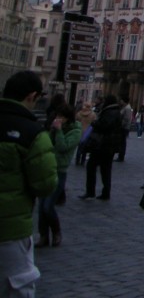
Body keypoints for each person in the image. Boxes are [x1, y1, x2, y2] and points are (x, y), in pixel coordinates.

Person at [0, 70, 58, 296]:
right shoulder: (32, 132)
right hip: (10, 226)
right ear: (32, 97)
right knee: (17, 285)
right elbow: (45, 184)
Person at [38, 103, 80, 248]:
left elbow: (63, 147)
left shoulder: (75, 131)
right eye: (57, 116)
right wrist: (52, 130)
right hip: (47, 167)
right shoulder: (56, 128)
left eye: (61, 116)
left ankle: (56, 232)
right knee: (41, 206)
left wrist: (60, 131)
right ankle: (43, 236)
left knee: (48, 206)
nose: (58, 119)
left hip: (59, 170)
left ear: (68, 118)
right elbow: (48, 144)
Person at [80, 94, 120, 200]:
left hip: (102, 144)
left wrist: (95, 123)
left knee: (91, 166)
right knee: (106, 169)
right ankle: (106, 192)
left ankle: (90, 191)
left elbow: (105, 126)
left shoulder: (109, 112)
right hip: (109, 145)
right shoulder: (115, 111)